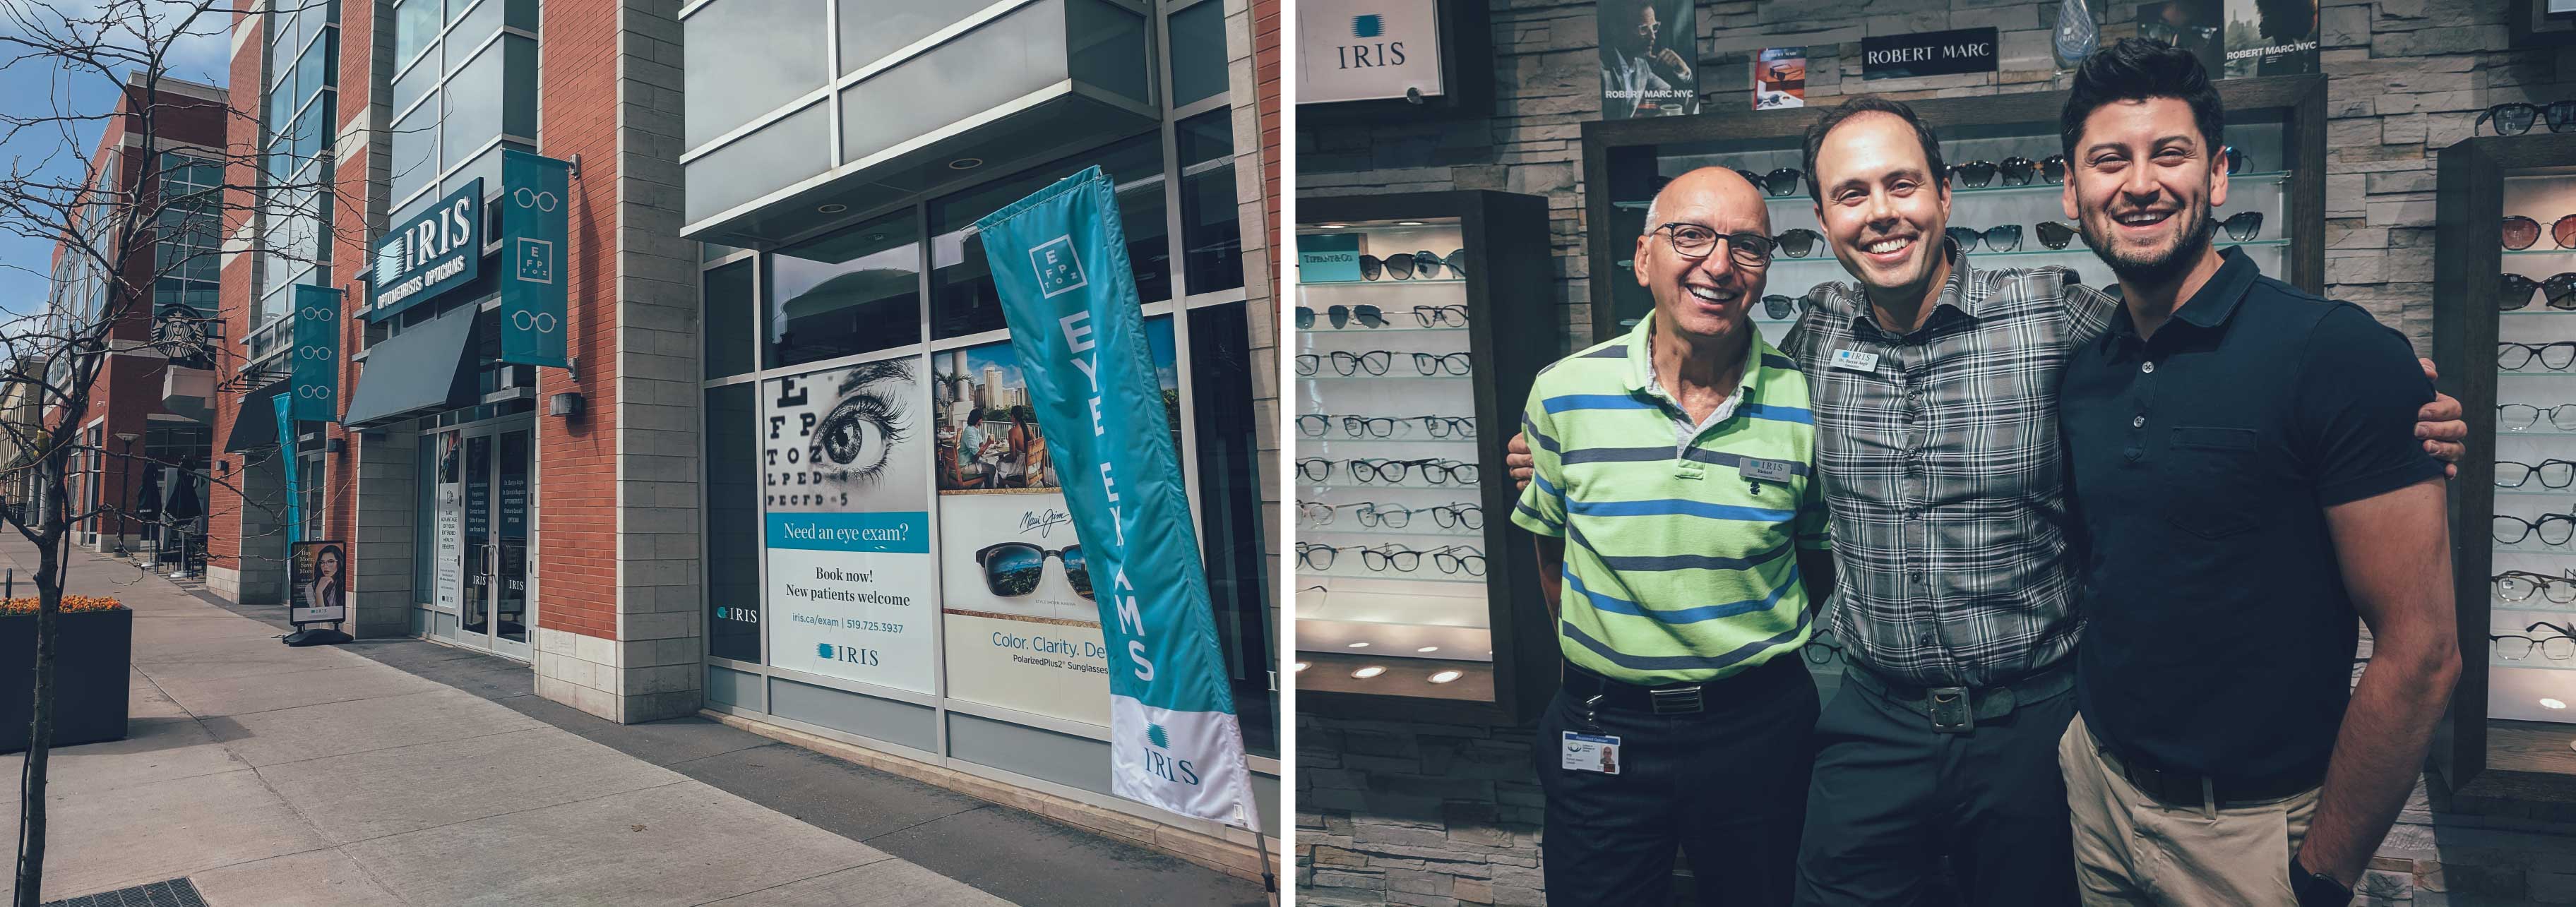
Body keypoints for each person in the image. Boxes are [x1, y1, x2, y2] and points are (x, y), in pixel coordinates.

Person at [1505, 94, 2467, 906]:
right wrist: (1552, 447)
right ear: (1825, 220)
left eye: (1900, 184)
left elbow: (2201, 343)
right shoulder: (1808, 344)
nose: (1880, 212)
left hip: (2034, 723)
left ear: (1942, 194)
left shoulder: (2052, 311)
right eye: (1852, 194)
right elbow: (1721, 422)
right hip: (1873, 723)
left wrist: (2379, 394)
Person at [2051, 39, 2454, 907]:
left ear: (2219, 175)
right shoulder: (2084, 373)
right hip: (2100, 796)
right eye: (2109, 160)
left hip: (2255, 834)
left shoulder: (2335, 352)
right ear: (2072, 190)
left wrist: (2322, 873)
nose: (2140, 183)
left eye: (2171, 153)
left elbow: (2422, 651)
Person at [1511, 167, 1835, 907]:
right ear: (1642, 257)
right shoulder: (1563, 392)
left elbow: (1814, 557)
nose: (1719, 264)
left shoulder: (1805, 398)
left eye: (1748, 246)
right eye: (1691, 235)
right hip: (1604, 726)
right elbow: (1551, 546)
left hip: (1760, 727)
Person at [1599, 0, 1693, 119]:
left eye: (1654, 27)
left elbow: (1674, 103)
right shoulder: (1600, 68)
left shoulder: (1641, 66)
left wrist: (1684, 75)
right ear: (1616, 30)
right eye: (1643, 29)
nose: (1652, 36)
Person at [306, 544, 345, 615]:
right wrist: (319, 592)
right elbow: (320, 615)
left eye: (330, 562)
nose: (325, 566)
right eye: (322, 562)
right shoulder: (310, 587)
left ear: (339, 563)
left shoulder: (344, 583)